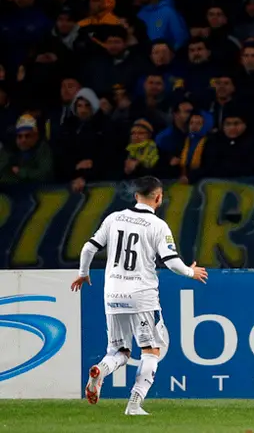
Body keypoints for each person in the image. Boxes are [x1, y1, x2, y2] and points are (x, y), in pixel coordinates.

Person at [70, 176, 208, 416]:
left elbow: (89, 247)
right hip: (142, 296)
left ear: (135, 196)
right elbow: (171, 261)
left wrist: (83, 274)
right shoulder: (158, 226)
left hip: (112, 293)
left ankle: (101, 370)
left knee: (119, 352)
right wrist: (190, 272)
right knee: (151, 350)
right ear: (159, 198)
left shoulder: (114, 218)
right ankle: (134, 404)